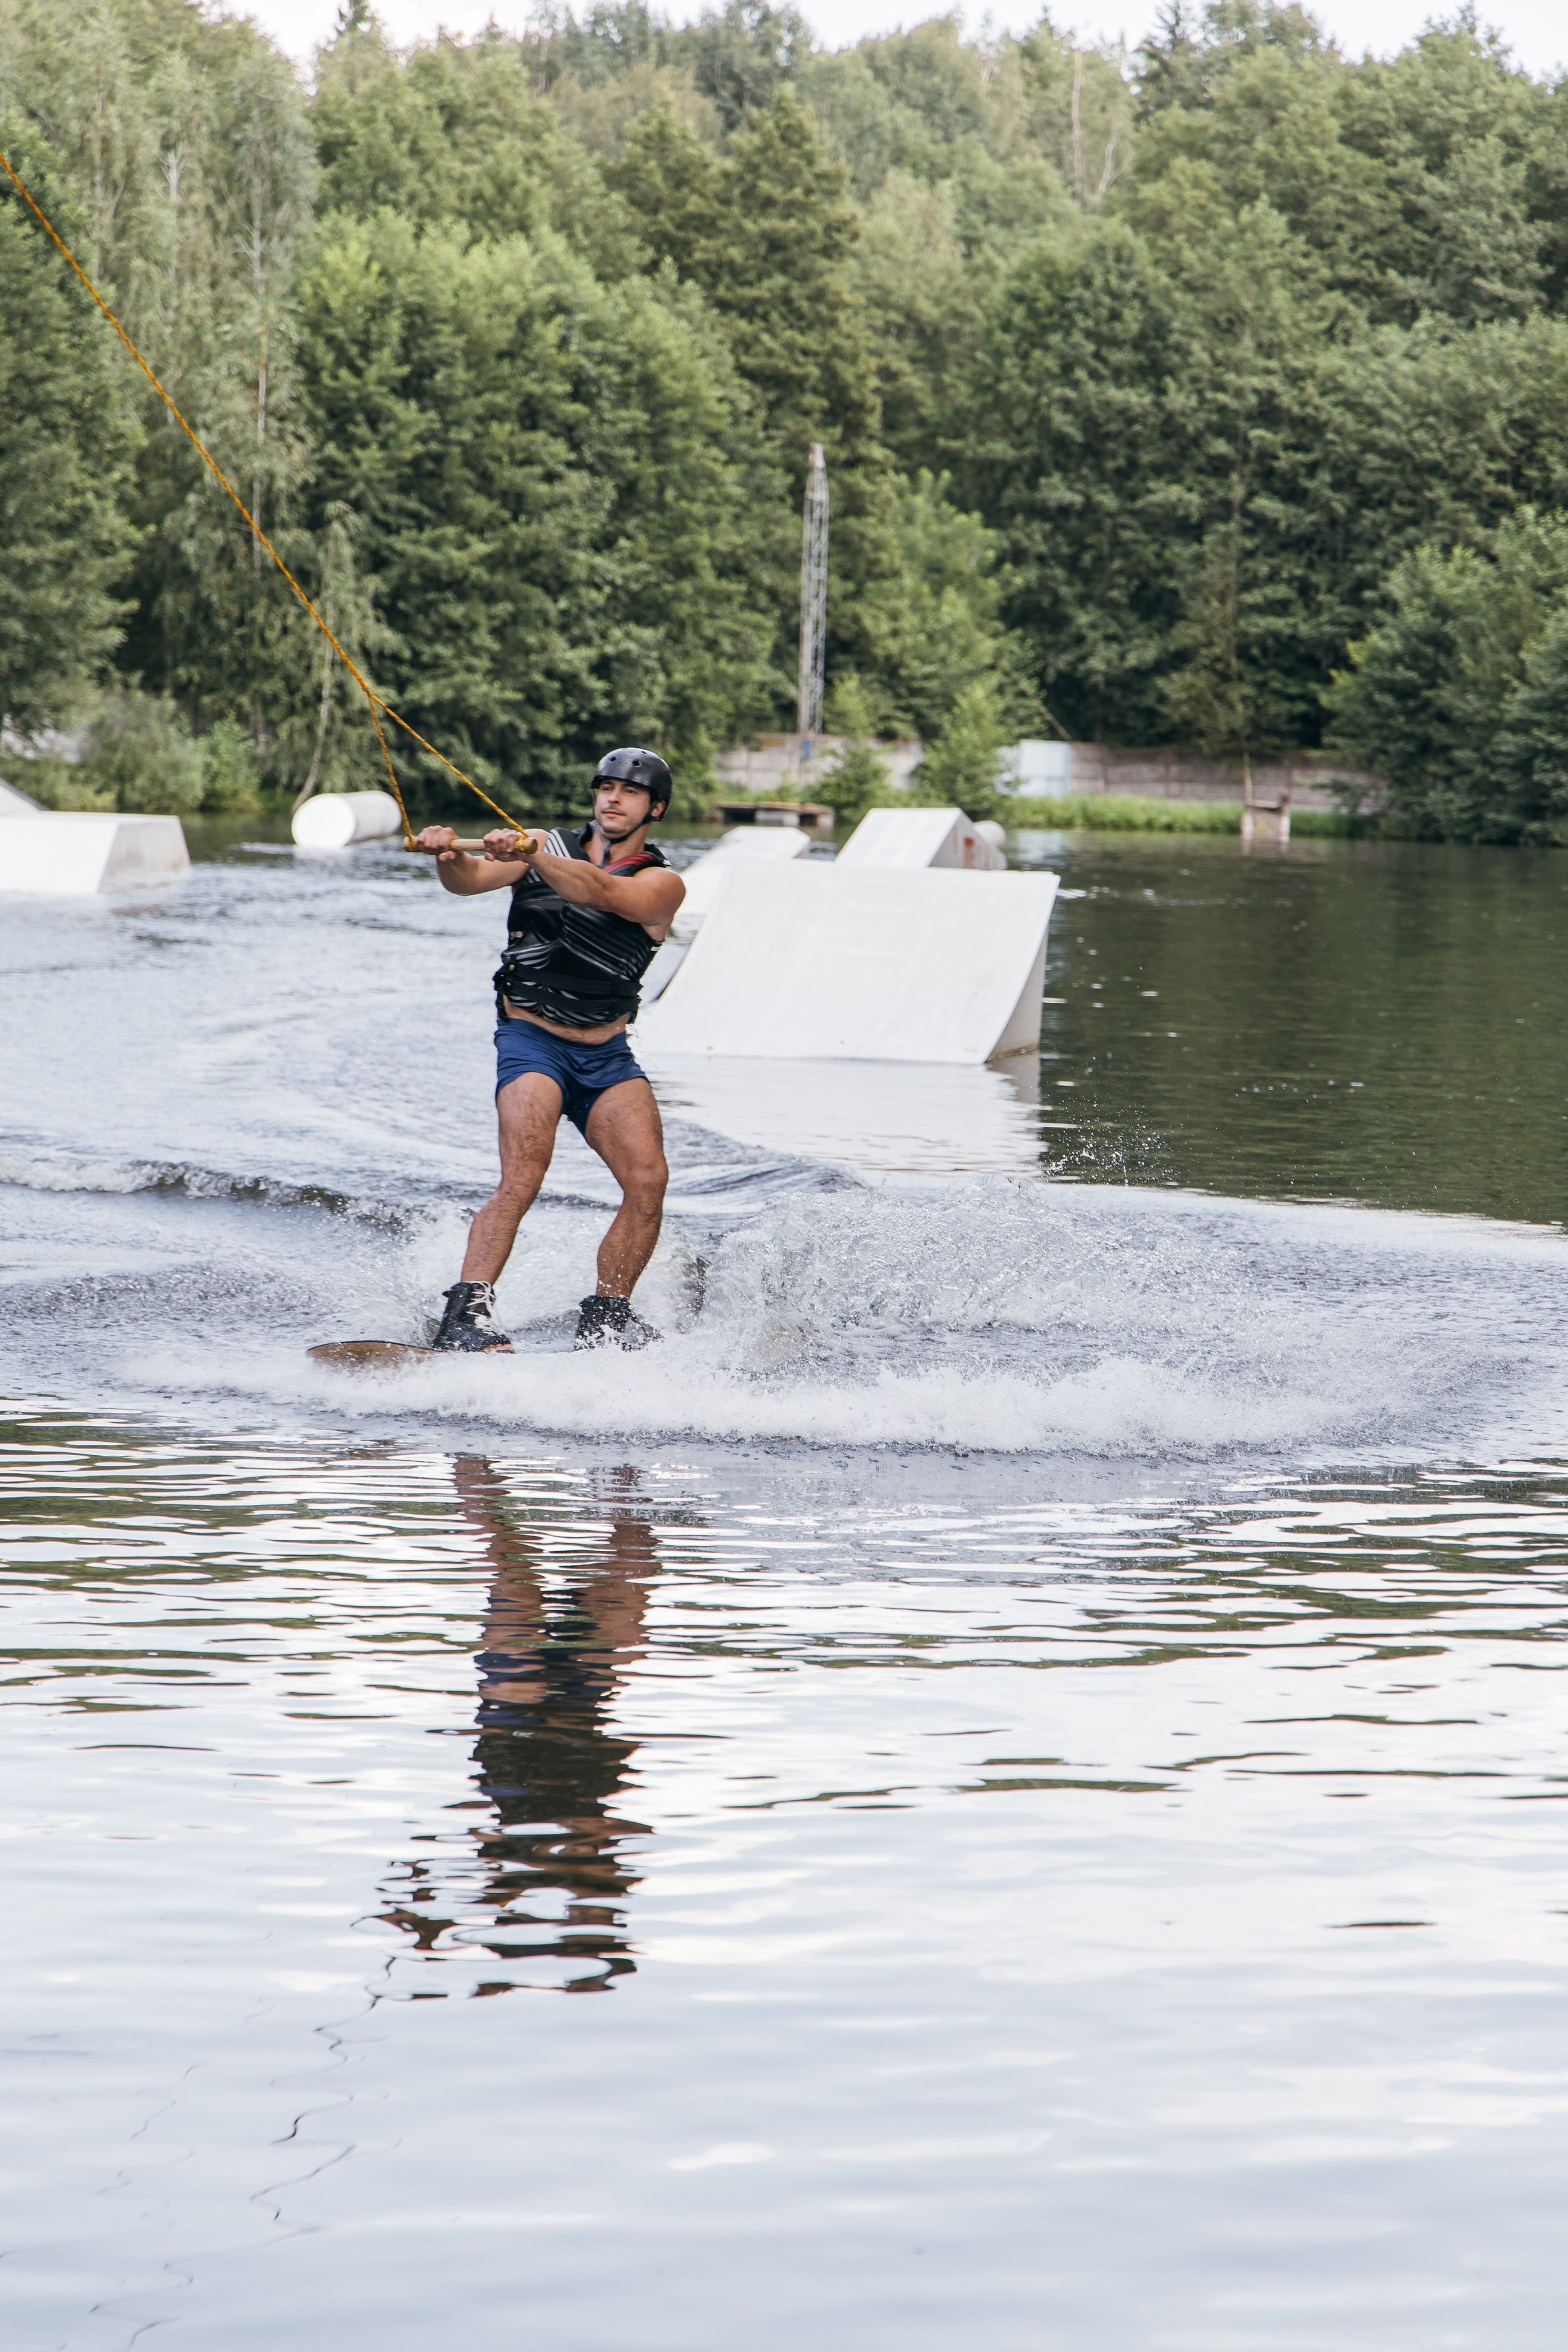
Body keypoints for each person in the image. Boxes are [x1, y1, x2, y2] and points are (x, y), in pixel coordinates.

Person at [413, 747, 686, 1352]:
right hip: (532, 1039)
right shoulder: (538, 844)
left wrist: (535, 854)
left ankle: (608, 1314)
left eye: (630, 792)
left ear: (655, 808)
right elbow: (469, 882)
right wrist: (450, 855)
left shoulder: (662, 884)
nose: (612, 799)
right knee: (524, 1175)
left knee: (648, 1179)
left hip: (606, 1054)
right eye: (605, 787)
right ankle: (466, 1312)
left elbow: (600, 895)